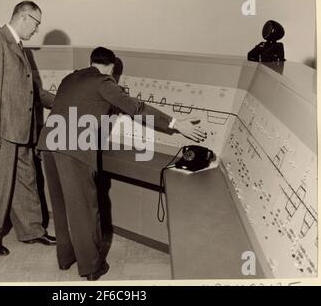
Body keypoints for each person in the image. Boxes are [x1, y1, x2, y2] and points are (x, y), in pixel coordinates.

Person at [37, 47, 208, 280]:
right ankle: (92, 267)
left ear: (91, 62)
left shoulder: (72, 77)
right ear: (111, 68)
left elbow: (73, 104)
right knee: (85, 209)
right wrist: (176, 123)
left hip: (48, 144)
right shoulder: (104, 82)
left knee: (61, 205)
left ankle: (66, 258)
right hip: (72, 150)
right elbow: (136, 108)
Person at [0, 1, 56, 256]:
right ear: (24, 16)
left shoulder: (17, 45)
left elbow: (29, 88)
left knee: (25, 180)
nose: (37, 29)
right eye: (37, 23)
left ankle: (32, 231)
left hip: (18, 127)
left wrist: (63, 99)